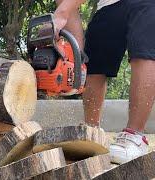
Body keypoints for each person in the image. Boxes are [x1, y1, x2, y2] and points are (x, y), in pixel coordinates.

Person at [54, 0, 155, 164]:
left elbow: (65, 10)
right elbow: (66, 7)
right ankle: (91, 131)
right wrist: (76, 57)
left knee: (143, 51)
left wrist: (62, 11)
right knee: (93, 61)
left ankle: (135, 136)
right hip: (107, 5)